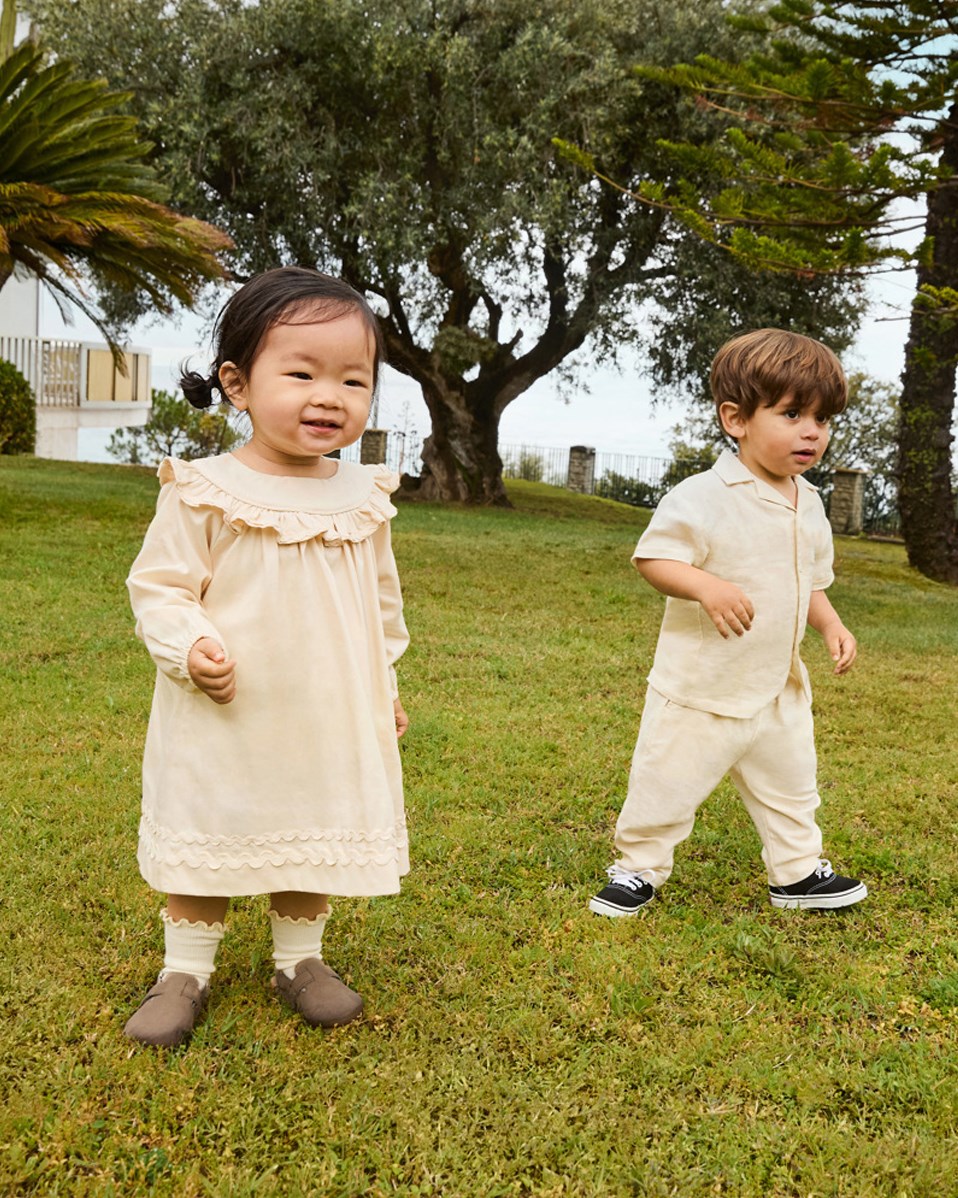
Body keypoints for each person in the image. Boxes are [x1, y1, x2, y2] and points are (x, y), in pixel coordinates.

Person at [124, 267, 410, 1046]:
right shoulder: (203, 490)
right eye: (302, 372)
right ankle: (184, 969)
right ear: (237, 383)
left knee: (309, 821)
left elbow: (379, 607)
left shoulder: (364, 498)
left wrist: (381, 684)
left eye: (355, 379)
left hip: (325, 708)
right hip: (228, 705)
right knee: (211, 825)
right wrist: (191, 647)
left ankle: (300, 959)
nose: (330, 395)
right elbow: (160, 588)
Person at [590, 328, 867, 918]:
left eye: (822, 418)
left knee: (793, 787)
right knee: (666, 781)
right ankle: (637, 868)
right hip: (702, 686)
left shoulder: (810, 502)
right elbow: (654, 558)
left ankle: (795, 874)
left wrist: (830, 625)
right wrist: (706, 586)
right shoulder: (703, 495)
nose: (812, 431)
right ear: (736, 418)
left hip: (775, 684)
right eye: (792, 414)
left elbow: (809, 580)